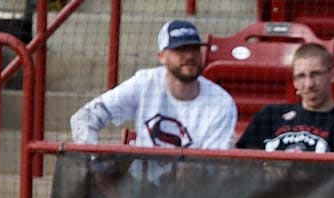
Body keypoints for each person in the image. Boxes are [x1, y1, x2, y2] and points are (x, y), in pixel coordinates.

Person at [70, 19, 236, 149]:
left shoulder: (220, 102)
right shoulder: (145, 83)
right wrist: (93, 160)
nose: (189, 56)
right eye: (180, 49)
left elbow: (212, 168)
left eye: (194, 49)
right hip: (142, 185)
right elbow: (83, 117)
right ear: (161, 56)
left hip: (194, 188)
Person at [236, 42, 334, 152]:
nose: (308, 84)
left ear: (333, 75)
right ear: (294, 81)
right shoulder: (269, 116)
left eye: (316, 74)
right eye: (301, 76)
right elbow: (242, 163)